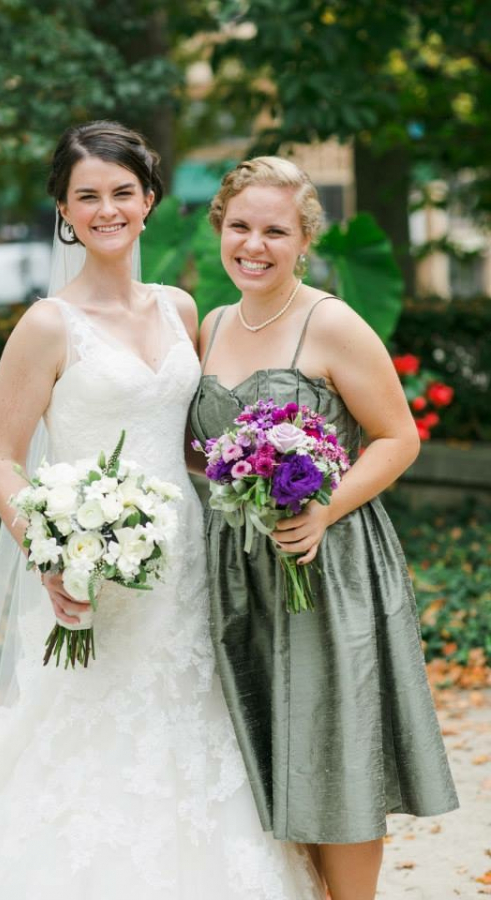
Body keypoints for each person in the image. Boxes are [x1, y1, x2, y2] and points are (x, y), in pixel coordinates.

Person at [0, 125, 324, 900]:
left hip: (188, 571)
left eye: (123, 192)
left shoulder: (181, 308)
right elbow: (3, 458)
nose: (107, 209)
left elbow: (193, 442)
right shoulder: (47, 325)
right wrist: (50, 552)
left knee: (196, 728)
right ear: (63, 209)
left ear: (150, 200)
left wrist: (262, 476)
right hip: (97, 575)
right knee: (87, 747)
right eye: (86, 195)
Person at [189, 156, 459, 900]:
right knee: (271, 753)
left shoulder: (332, 323)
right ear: (220, 228)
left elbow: (399, 438)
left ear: (305, 238)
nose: (254, 245)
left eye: (275, 231)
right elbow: (199, 453)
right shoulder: (212, 324)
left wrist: (323, 510)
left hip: (325, 567)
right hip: (237, 574)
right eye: (240, 227)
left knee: (334, 755)